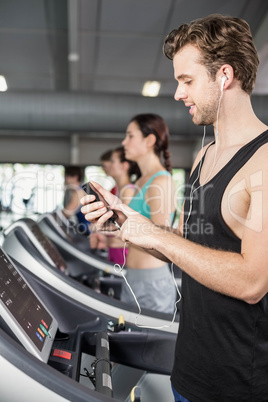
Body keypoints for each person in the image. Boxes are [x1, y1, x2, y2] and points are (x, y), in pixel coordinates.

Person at [81, 14, 268, 401]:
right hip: (188, 370)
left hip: (236, 386)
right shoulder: (204, 156)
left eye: (187, 80)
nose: (179, 93)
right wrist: (126, 224)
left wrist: (153, 234)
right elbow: (189, 246)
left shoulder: (264, 162)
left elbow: (252, 281)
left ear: (224, 76)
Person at [85, 113, 177, 314]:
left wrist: (120, 234)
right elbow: (133, 231)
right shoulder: (140, 182)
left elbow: (165, 243)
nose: (124, 142)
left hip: (152, 283)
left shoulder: (161, 182)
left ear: (149, 141)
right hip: (132, 276)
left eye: (130, 136)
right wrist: (110, 228)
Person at [63, 165, 90, 235]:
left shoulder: (79, 192)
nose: (65, 180)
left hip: (88, 230)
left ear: (75, 177)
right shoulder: (80, 190)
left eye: (66, 177)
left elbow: (67, 213)